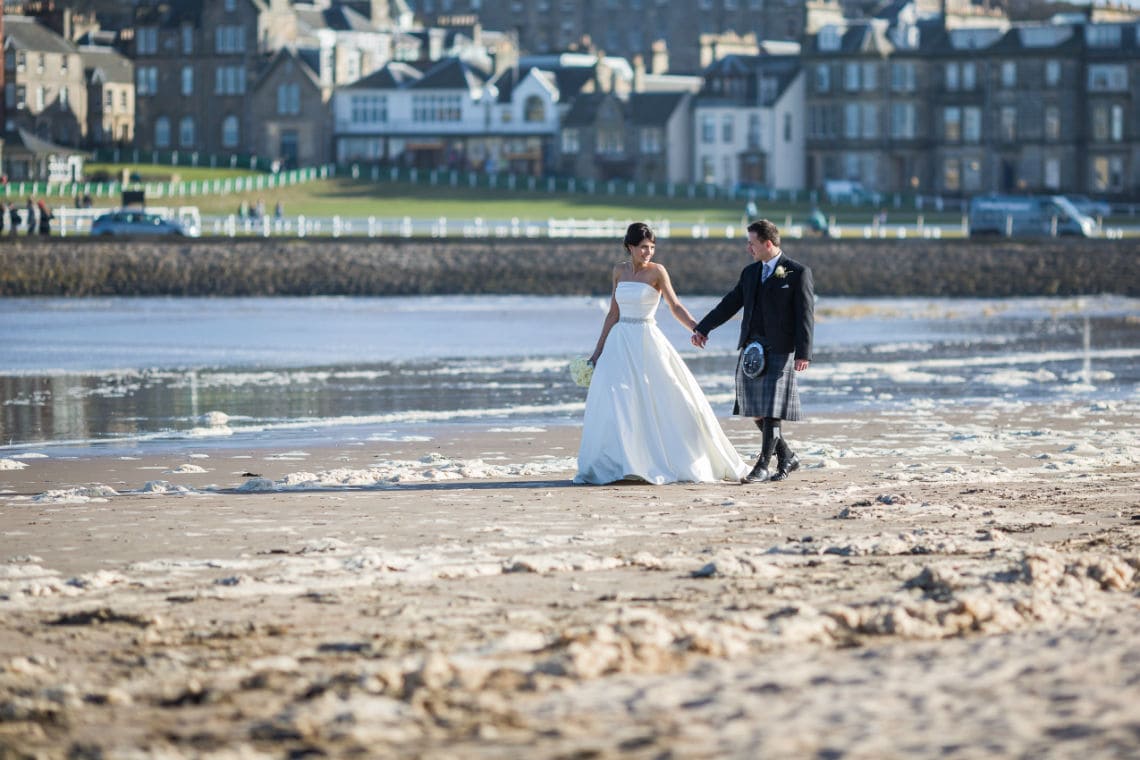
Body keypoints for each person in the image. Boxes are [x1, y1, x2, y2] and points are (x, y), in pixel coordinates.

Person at [575, 222, 748, 485]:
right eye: (643, 247)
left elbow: (674, 305)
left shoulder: (658, 272)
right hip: (619, 342)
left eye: (652, 247)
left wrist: (698, 328)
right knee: (617, 400)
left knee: (666, 396)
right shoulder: (618, 271)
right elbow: (613, 313)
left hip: (647, 340)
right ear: (630, 247)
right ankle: (622, 464)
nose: (648, 252)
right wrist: (597, 352)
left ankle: (657, 460)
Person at [692, 219, 814, 483]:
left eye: (752, 243)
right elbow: (730, 304)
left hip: (781, 349)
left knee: (770, 410)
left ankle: (762, 465)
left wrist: (804, 352)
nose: (749, 248)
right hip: (752, 351)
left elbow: (805, 315)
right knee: (757, 410)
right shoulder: (749, 273)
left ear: (767, 244)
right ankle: (788, 456)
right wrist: (704, 328)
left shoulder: (797, 272)